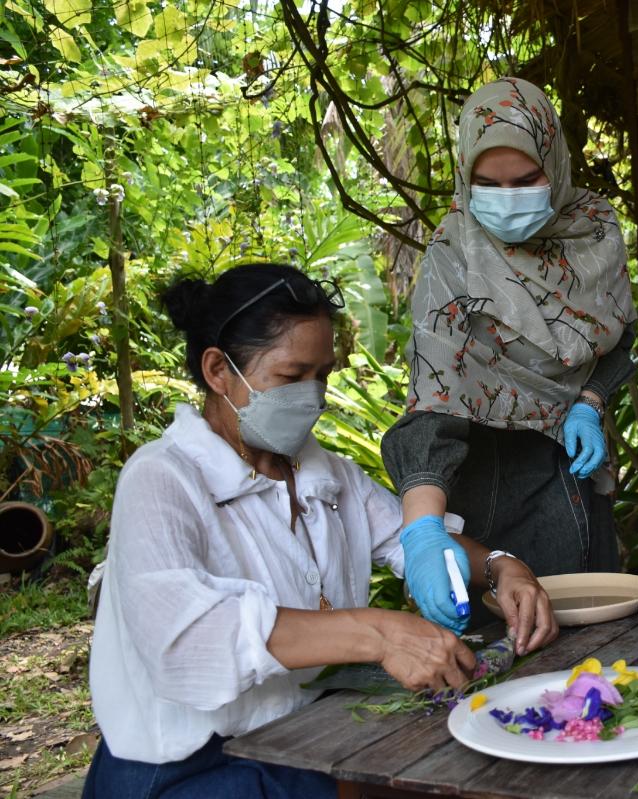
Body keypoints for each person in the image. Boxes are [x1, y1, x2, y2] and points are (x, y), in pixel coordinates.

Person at [83, 264, 557, 799]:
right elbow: (186, 640)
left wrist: (501, 567)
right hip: (189, 771)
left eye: (322, 376)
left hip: (306, 744)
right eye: (291, 377)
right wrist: (379, 634)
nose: (314, 397)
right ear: (218, 370)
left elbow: (413, 538)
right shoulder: (162, 477)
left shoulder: (325, 474)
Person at [381, 77, 638, 627]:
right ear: (465, 176)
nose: (507, 201)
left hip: (576, 472)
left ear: (557, 164)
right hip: (490, 487)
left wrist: (590, 401)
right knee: (504, 659)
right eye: (487, 184)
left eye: (526, 180)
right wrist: (424, 529)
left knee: (595, 648)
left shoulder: (594, 228)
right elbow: (436, 396)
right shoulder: (455, 250)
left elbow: (619, 336)